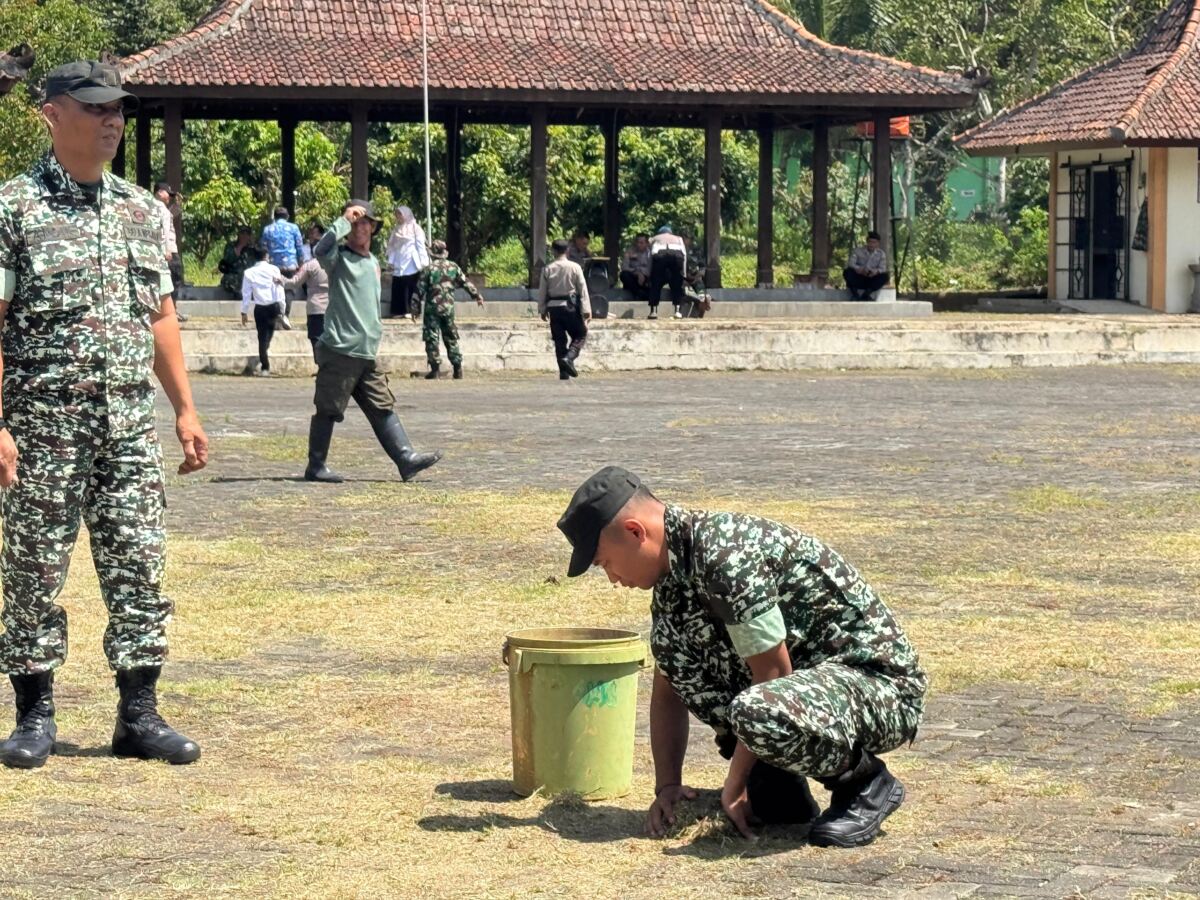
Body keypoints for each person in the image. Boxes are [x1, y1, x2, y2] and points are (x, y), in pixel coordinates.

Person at [0, 60, 209, 768]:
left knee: (140, 567)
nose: (112, 120)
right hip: (40, 430)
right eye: (95, 109)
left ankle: (139, 714)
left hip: (126, 428)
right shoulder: (14, 209)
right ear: (52, 114)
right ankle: (34, 715)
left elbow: (162, 316)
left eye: (118, 107)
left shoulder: (144, 212)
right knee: (32, 571)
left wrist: (185, 409)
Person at [557, 467, 926, 848]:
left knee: (756, 710)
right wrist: (667, 787)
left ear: (636, 532)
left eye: (604, 563)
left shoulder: (724, 556)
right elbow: (669, 688)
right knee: (673, 647)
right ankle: (775, 783)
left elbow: (774, 674)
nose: (612, 578)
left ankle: (865, 784)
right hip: (811, 692)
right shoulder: (672, 577)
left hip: (879, 689)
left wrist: (731, 787)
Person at [304, 199, 442, 484]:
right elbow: (320, 249)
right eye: (355, 222)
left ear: (373, 228)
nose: (360, 227)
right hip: (340, 348)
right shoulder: (339, 258)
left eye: (365, 222)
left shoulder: (373, 262)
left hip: (366, 352)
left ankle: (405, 458)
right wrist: (343, 219)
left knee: (382, 405)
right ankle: (316, 465)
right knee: (328, 408)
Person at [416, 239, 484, 380]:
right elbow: (465, 283)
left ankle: (435, 369)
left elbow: (419, 290)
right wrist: (477, 296)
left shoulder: (429, 269)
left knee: (431, 338)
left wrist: (414, 308)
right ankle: (457, 368)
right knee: (451, 337)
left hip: (432, 309)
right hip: (448, 308)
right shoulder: (453, 267)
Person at [537, 238, 591, 380]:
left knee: (559, 340)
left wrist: (542, 309)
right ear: (567, 250)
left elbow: (542, 291)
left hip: (554, 308)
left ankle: (563, 371)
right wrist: (586, 310)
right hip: (570, 307)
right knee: (581, 334)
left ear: (553, 251)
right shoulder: (575, 267)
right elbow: (582, 289)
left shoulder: (547, 269)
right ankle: (569, 357)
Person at [284, 222, 330, 359]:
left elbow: (294, 282)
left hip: (315, 307)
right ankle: (327, 364)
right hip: (331, 306)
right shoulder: (335, 264)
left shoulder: (311, 265)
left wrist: (279, 279)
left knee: (315, 337)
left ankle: (320, 364)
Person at [240, 247, 285, 376]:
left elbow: (246, 294)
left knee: (262, 337)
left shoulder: (249, 272)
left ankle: (265, 365)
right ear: (266, 256)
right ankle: (265, 362)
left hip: (260, 308)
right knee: (268, 334)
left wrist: (244, 312)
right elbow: (279, 290)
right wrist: (282, 308)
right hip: (273, 306)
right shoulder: (274, 270)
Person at [260, 205, 305, 328]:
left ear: (274, 216)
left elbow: (263, 248)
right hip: (290, 264)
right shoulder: (294, 228)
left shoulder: (267, 229)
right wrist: (301, 263)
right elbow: (299, 247)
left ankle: (274, 316)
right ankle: (285, 315)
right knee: (289, 289)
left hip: (273, 265)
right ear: (287, 216)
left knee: (273, 290)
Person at [153, 181, 188, 323]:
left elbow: (169, 216)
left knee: (163, 283)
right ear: (160, 192)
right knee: (174, 282)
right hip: (169, 252)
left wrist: (178, 206)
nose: (169, 197)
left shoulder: (151, 207)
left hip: (157, 251)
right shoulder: (162, 209)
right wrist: (167, 249)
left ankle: (168, 311)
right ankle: (172, 311)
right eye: (168, 194)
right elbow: (166, 230)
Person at [385, 205, 428, 318]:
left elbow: (420, 246)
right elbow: (393, 247)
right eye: (397, 214)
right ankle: (398, 311)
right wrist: (391, 261)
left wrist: (424, 261)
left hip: (411, 261)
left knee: (411, 285)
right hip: (399, 260)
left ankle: (411, 311)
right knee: (398, 285)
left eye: (400, 214)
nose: (398, 216)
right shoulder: (396, 229)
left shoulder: (415, 228)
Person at [648, 225, 686, 319]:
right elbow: (684, 255)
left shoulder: (654, 238)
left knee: (656, 283)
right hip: (677, 256)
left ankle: (653, 311)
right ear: (671, 233)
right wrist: (684, 274)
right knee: (677, 283)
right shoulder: (679, 239)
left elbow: (650, 256)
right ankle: (677, 311)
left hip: (660, 255)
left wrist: (649, 273)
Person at [844, 231, 889, 301]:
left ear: (878, 244)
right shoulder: (857, 251)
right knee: (847, 272)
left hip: (871, 279)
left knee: (885, 276)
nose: (871, 244)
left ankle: (866, 295)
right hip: (859, 277)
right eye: (870, 242)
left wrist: (875, 272)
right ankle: (855, 295)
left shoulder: (881, 254)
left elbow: (883, 268)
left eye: (874, 242)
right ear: (867, 242)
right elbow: (851, 263)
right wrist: (859, 269)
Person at [218, 225, 257, 298]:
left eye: (247, 234)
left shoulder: (253, 248)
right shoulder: (231, 246)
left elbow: (261, 261)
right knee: (228, 280)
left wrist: (254, 245)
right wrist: (241, 246)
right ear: (238, 234)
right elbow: (227, 260)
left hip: (250, 277)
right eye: (242, 233)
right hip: (235, 276)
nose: (244, 236)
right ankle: (238, 294)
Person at [619, 233, 651, 302]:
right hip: (633, 277)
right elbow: (624, 267)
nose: (639, 245)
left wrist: (642, 273)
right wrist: (637, 272)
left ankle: (642, 294)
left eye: (641, 243)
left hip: (645, 278)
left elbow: (650, 269)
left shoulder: (650, 254)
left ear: (647, 243)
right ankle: (639, 293)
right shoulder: (629, 252)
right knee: (624, 275)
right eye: (637, 242)